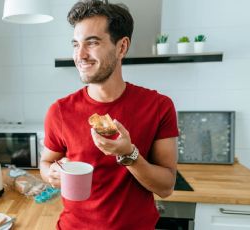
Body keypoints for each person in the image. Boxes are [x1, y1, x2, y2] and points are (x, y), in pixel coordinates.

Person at [39, 0, 179, 229]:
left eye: (92, 43)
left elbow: (166, 187)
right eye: (76, 44)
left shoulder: (158, 106)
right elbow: (45, 162)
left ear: (122, 47)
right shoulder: (60, 111)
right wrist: (50, 173)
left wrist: (128, 154)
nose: (80, 55)